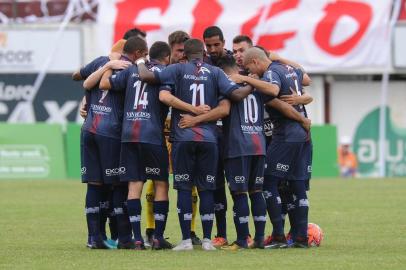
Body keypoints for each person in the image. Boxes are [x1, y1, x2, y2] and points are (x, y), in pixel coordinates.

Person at [136, 38, 253, 251]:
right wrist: (251, 83)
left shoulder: (177, 70)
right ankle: (208, 240)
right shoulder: (215, 73)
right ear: (203, 53)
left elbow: (146, 76)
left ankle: (186, 241)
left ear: (184, 55)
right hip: (209, 139)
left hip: (183, 137)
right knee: (206, 188)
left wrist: (141, 61)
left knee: (184, 187)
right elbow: (236, 94)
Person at [97, 40, 179, 250]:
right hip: (152, 135)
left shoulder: (131, 69)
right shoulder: (164, 72)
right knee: (161, 183)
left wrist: (108, 67)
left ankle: (136, 239)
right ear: (166, 57)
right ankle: (158, 237)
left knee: (134, 185)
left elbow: (104, 84)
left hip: (128, 134)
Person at [230, 47, 312, 248]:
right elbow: (306, 80)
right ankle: (301, 238)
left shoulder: (270, 74)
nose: (250, 73)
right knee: (297, 184)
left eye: (250, 68)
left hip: (287, 133)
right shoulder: (288, 68)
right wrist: (304, 104)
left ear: (256, 62)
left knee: (268, 182)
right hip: (303, 136)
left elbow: (275, 94)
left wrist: (248, 80)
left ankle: (278, 236)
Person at [142, 30, 203, 247]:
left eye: (185, 51)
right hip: (161, 133)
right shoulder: (162, 71)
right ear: (170, 51)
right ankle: (151, 229)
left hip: (185, 133)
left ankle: (192, 230)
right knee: (156, 181)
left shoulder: (193, 72)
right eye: (178, 51)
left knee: (191, 183)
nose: (182, 55)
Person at [76, 40, 133, 249]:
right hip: (110, 132)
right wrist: (109, 67)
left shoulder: (98, 63)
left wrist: (106, 67)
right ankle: (122, 237)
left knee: (95, 185)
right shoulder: (128, 67)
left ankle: (95, 238)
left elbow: (84, 82)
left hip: (89, 129)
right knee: (117, 184)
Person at [202, 26, 234, 247]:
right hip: (211, 134)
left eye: (216, 44)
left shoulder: (235, 62)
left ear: (224, 42)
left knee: (240, 187)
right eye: (209, 45)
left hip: (234, 134)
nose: (212, 49)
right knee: (216, 186)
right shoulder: (202, 65)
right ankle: (221, 234)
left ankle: (247, 234)